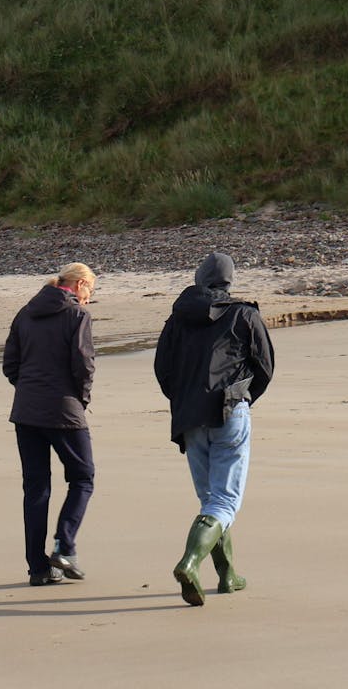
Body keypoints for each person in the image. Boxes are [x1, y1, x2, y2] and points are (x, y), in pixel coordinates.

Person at [154, 252, 275, 606]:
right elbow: (265, 367)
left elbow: (163, 371)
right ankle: (190, 563)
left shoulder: (176, 321)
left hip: (190, 417)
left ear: (199, 278)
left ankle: (226, 575)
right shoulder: (244, 314)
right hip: (229, 412)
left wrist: (184, 399)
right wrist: (244, 398)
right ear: (228, 281)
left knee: (213, 500)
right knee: (223, 501)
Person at [3, 262, 98, 586]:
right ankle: (64, 545)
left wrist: (30, 390)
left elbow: (10, 365)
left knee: (36, 489)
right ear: (80, 284)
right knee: (83, 477)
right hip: (63, 410)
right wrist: (81, 400)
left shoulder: (25, 313)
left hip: (26, 411)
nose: (89, 297)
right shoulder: (77, 316)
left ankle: (38, 569)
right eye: (91, 290)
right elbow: (83, 365)